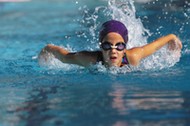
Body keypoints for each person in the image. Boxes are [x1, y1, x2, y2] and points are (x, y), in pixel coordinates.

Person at [38, 20, 182, 68]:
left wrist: (171, 37)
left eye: (119, 46)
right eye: (107, 46)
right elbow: (64, 56)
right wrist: (47, 49)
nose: (113, 51)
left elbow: (155, 45)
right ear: (101, 46)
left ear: (125, 47)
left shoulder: (133, 56)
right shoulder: (89, 58)